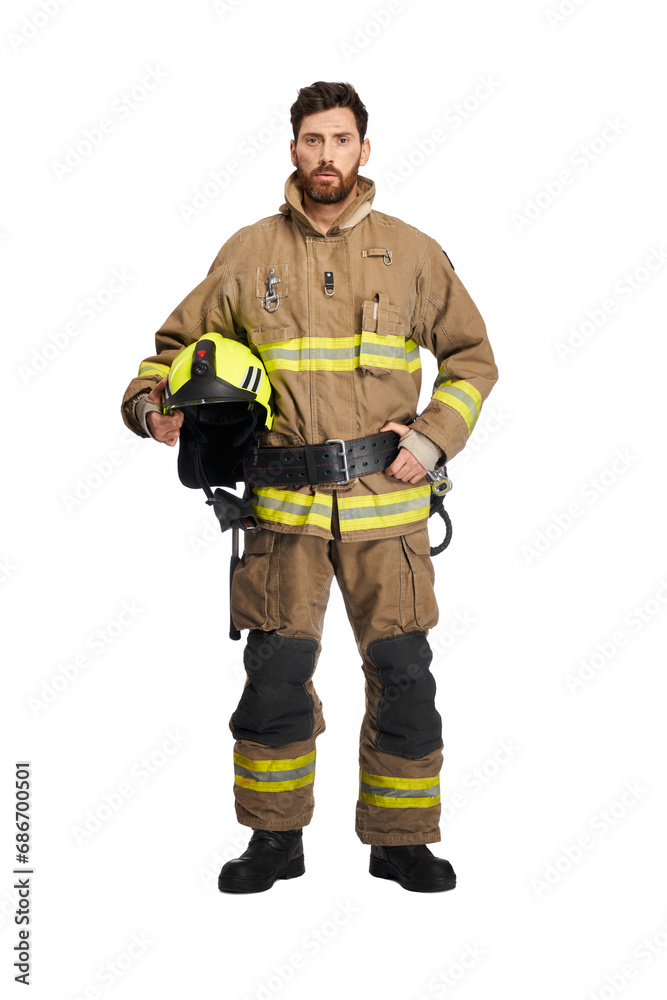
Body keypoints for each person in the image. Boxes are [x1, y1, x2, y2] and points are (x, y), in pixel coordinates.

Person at [121, 81, 498, 894]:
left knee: (404, 676)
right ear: (292, 149)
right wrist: (152, 409)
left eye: (341, 139)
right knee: (273, 679)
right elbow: (168, 352)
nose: (326, 155)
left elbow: (472, 359)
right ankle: (273, 840)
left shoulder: (415, 253)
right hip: (280, 515)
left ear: (365, 150)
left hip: (388, 511)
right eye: (312, 140)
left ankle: (399, 842)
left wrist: (433, 438)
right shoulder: (248, 253)